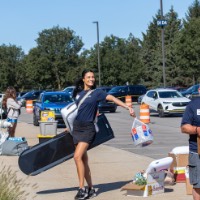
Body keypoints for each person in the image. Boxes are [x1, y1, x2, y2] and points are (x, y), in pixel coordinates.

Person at [72, 69, 135, 200]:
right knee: (83, 160)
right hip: (77, 128)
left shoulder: (97, 93)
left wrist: (127, 107)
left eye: (93, 77)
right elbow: (76, 111)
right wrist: (68, 127)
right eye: (88, 77)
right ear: (83, 79)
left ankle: (81, 189)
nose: (91, 79)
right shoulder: (79, 93)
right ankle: (91, 189)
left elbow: (111, 98)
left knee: (77, 157)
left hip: (88, 129)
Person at [181, 97, 200, 200]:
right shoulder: (193, 105)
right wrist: (196, 129)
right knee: (198, 186)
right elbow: (184, 127)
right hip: (197, 152)